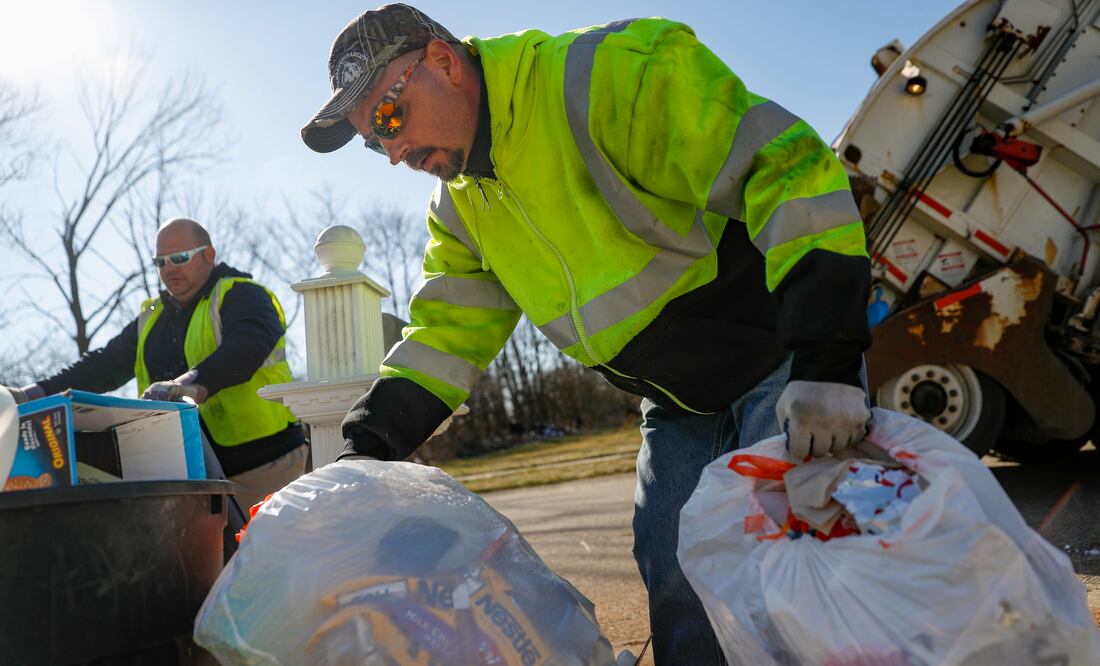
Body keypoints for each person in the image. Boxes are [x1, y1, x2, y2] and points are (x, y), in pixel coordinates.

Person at [301, 5, 872, 663]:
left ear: (442, 62)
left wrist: (826, 356)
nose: (393, 152)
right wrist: (364, 451)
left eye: (388, 118)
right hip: (678, 402)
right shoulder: (459, 206)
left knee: (803, 570)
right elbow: (448, 332)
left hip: (782, 357)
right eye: (375, 142)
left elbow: (788, 171)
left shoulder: (603, 74)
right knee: (673, 566)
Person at [5, 218, 307, 510]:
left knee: (266, 559)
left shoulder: (243, 295)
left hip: (264, 466)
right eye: (160, 262)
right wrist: (30, 394)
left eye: (179, 258)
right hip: (189, 476)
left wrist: (190, 385)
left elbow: (246, 346)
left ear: (209, 255)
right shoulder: (153, 318)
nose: (168, 269)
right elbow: (100, 367)